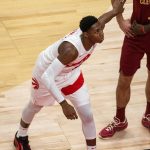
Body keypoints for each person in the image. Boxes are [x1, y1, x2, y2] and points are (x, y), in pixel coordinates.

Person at [13, 1, 125, 150]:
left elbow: (104, 18)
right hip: (46, 72)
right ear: (86, 34)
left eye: (101, 29)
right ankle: (20, 136)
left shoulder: (94, 31)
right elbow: (48, 77)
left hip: (70, 73)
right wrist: (64, 104)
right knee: (35, 105)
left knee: (87, 113)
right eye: (97, 31)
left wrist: (115, 10)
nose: (101, 34)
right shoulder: (71, 50)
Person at [99, 0, 150, 139]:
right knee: (124, 79)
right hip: (134, 35)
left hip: (144, 30)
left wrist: (146, 29)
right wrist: (120, 21)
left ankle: (148, 114)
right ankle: (120, 119)